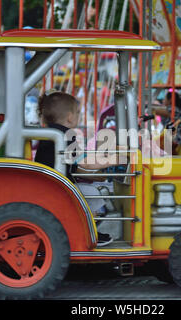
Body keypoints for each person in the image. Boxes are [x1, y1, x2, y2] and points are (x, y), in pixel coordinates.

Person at [34, 91, 120, 246]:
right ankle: (88, 232)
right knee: (92, 193)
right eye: (78, 113)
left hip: (47, 185)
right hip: (57, 189)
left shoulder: (49, 132)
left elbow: (70, 163)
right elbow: (85, 162)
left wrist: (93, 176)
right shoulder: (66, 134)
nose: (79, 116)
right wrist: (112, 160)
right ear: (70, 117)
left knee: (89, 189)